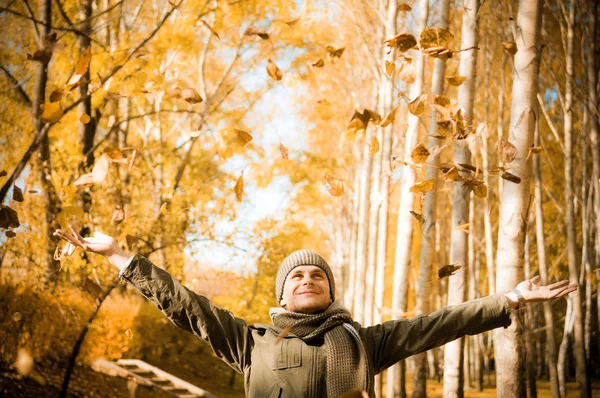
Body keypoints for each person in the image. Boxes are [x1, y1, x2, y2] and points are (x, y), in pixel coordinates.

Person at [53, 226, 577, 398]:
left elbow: (436, 325)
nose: (308, 279)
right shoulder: (249, 343)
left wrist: (508, 299)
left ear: (330, 291)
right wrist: (120, 255)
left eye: (317, 275)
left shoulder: (365, 341)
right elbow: (183, 304)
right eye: (297, 276)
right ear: (283, 296)